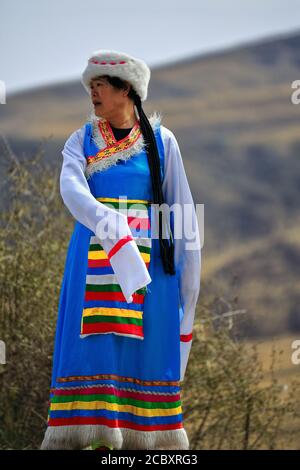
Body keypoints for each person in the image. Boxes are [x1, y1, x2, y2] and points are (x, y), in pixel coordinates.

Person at [40, 49, 201, 451]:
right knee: (93, 357)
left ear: (125, 89)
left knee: (145, 362)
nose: (92, 92)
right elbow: (72, 190)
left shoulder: (162, 143)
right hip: (93, 261)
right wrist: (110, 225)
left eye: (100, 85)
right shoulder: (81, 140)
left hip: (150, 274)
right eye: (90, 85)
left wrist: (188, 292)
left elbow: (183, 220)